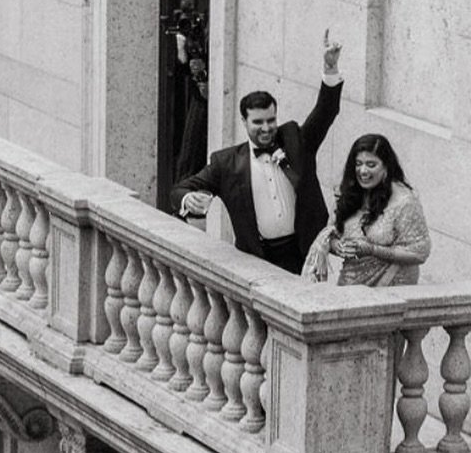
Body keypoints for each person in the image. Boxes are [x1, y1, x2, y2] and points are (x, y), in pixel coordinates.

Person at [172, 33, 344, 276]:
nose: (266, 128)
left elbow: (325, 112)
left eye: (271, 120)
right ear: (244, 121)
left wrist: (330, 67)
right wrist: (187, 199)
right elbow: (179, 189)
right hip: (257, 260)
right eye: (258, 122)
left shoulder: (296, 141)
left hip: (303, 255)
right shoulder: (226, 163)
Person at [305, 134, 432, 288]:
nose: (363, 171)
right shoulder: (347, 192)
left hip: (389, 288)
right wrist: (336, 245)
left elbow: (419, 253)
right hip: (349, 285)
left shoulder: (404, 202)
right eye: (358, 164)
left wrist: (373, 250)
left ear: (386, 167)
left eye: (371, 165)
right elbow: (332, 232)